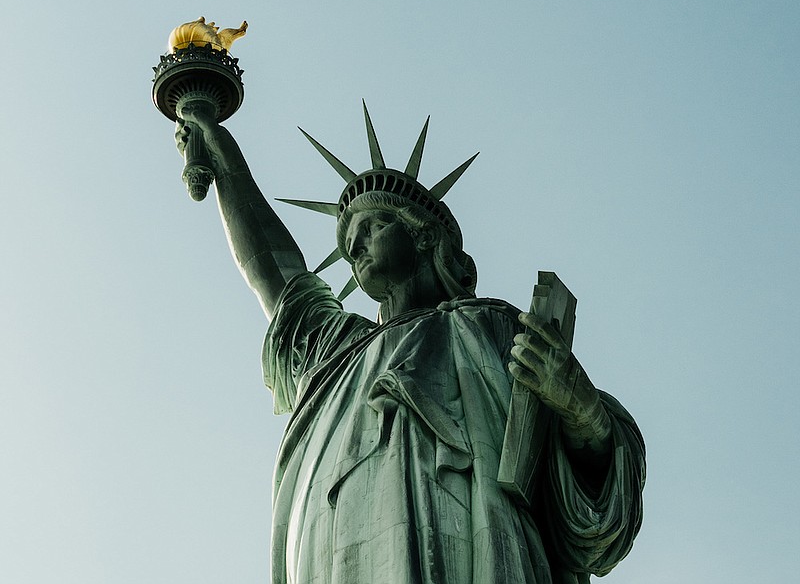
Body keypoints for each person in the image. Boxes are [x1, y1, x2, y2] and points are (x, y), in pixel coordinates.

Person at [174, 104, 645, 584]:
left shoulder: (494, 328)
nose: (356, 246)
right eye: (350, 239)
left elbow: (595, 506)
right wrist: (223, 161)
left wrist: (581, 410)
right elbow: (275, 273)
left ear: (423, 236)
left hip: (473, 546)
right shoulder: (334, 351)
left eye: (373, 226)